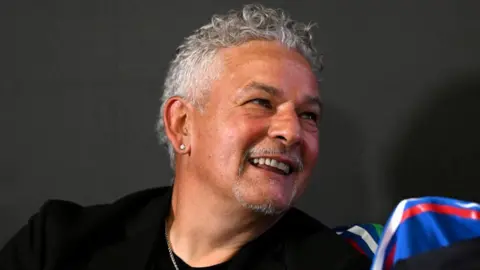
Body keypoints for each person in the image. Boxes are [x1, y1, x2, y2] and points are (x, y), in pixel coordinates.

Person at [0, 4, 371, 269]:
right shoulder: (57, 245)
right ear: (182, 124)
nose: (291, 131)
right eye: (260, 102)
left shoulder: (334, 264)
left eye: (309, 115)